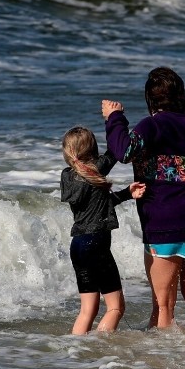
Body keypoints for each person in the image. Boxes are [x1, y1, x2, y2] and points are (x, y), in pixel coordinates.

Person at [102, 66, 185, 335]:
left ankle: (162, 367)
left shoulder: (152, 125)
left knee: (163, 305)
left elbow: (123, 150)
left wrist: (115, 118)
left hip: (165, 224)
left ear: (151, 99)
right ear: (181, 95)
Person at [60, 125, 146, 335]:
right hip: (96, 244)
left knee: (88, 310)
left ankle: (76, 351)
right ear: (92, 149)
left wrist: (126, 193)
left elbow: (98, 204)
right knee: (116, 308)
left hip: (78, 245)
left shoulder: (66, 176)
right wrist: (115, 121)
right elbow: (117, 149)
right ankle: (98, 351)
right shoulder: (96, 168)